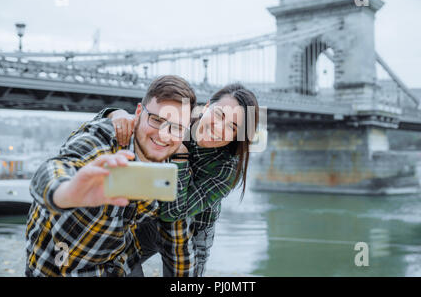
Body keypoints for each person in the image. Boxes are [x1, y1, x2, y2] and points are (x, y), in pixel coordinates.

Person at [25, 75, 197, 277]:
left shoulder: (169, 170)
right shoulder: (106, 138)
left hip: (115, 264)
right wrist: (67, 193)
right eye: (157, 120)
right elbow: (53, 169)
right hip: (55, 267)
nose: (163, 135)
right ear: (139, 112)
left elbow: (178, 240)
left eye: (176, 127)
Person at [106, 83, 260, 276]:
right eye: (219, 114)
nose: (219, 127)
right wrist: (116, 114)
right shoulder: (182, 120)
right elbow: (144, 122)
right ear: (206, 107)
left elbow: (174, 212)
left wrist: (180, 157)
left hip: (195, 231)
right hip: (151, 216)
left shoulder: (226, 169)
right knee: (115, 264)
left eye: (232, 126)